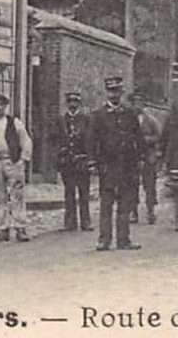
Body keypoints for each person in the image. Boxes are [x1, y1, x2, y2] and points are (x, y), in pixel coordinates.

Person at [90, 76, 145, 250]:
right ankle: (104, 240)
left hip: (127, 165)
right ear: (107, 93)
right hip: (108, 165)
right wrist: (94, 162)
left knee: (125, 203)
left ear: (121, 93)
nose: (114, 95)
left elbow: (139, 138)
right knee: (106, 204)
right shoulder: (98, 115)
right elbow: (92, 141)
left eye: (117, 92)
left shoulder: (130, 114)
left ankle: (124, 239)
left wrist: (140, 159)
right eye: (111, 91)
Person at [0, 90, 33, 243]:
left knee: (17, 195)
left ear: (5, 106)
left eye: (0, 105)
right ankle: (2, 229)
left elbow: (26, 141)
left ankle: (20, 227)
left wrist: (23, 159)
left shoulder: (14, 122)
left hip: (13, 161)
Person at [51, 90, 95, 232]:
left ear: (79, 103)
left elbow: (91, 141)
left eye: (75, 102)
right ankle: (70, 222)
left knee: (84, 192)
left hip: (82, 160)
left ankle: (86, 221)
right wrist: (59, 156)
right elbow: (56, 139)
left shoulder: (86, 120)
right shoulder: (61, 120)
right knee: (69, 192)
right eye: (70, 102)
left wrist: (90, 159)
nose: (72, 105)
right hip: (67, 161)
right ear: (67, 103)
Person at [132, 96, 166, 226]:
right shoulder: (129, 120)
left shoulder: (151, 120)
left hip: (148, 157)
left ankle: (150, 211)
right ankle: (133, 212)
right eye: (134, 104)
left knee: (149, 186)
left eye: (139, 104)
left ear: (143, 105)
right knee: (132, 186)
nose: (137, 106)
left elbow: (159, 136)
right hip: (133, 157)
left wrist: (147, 139)